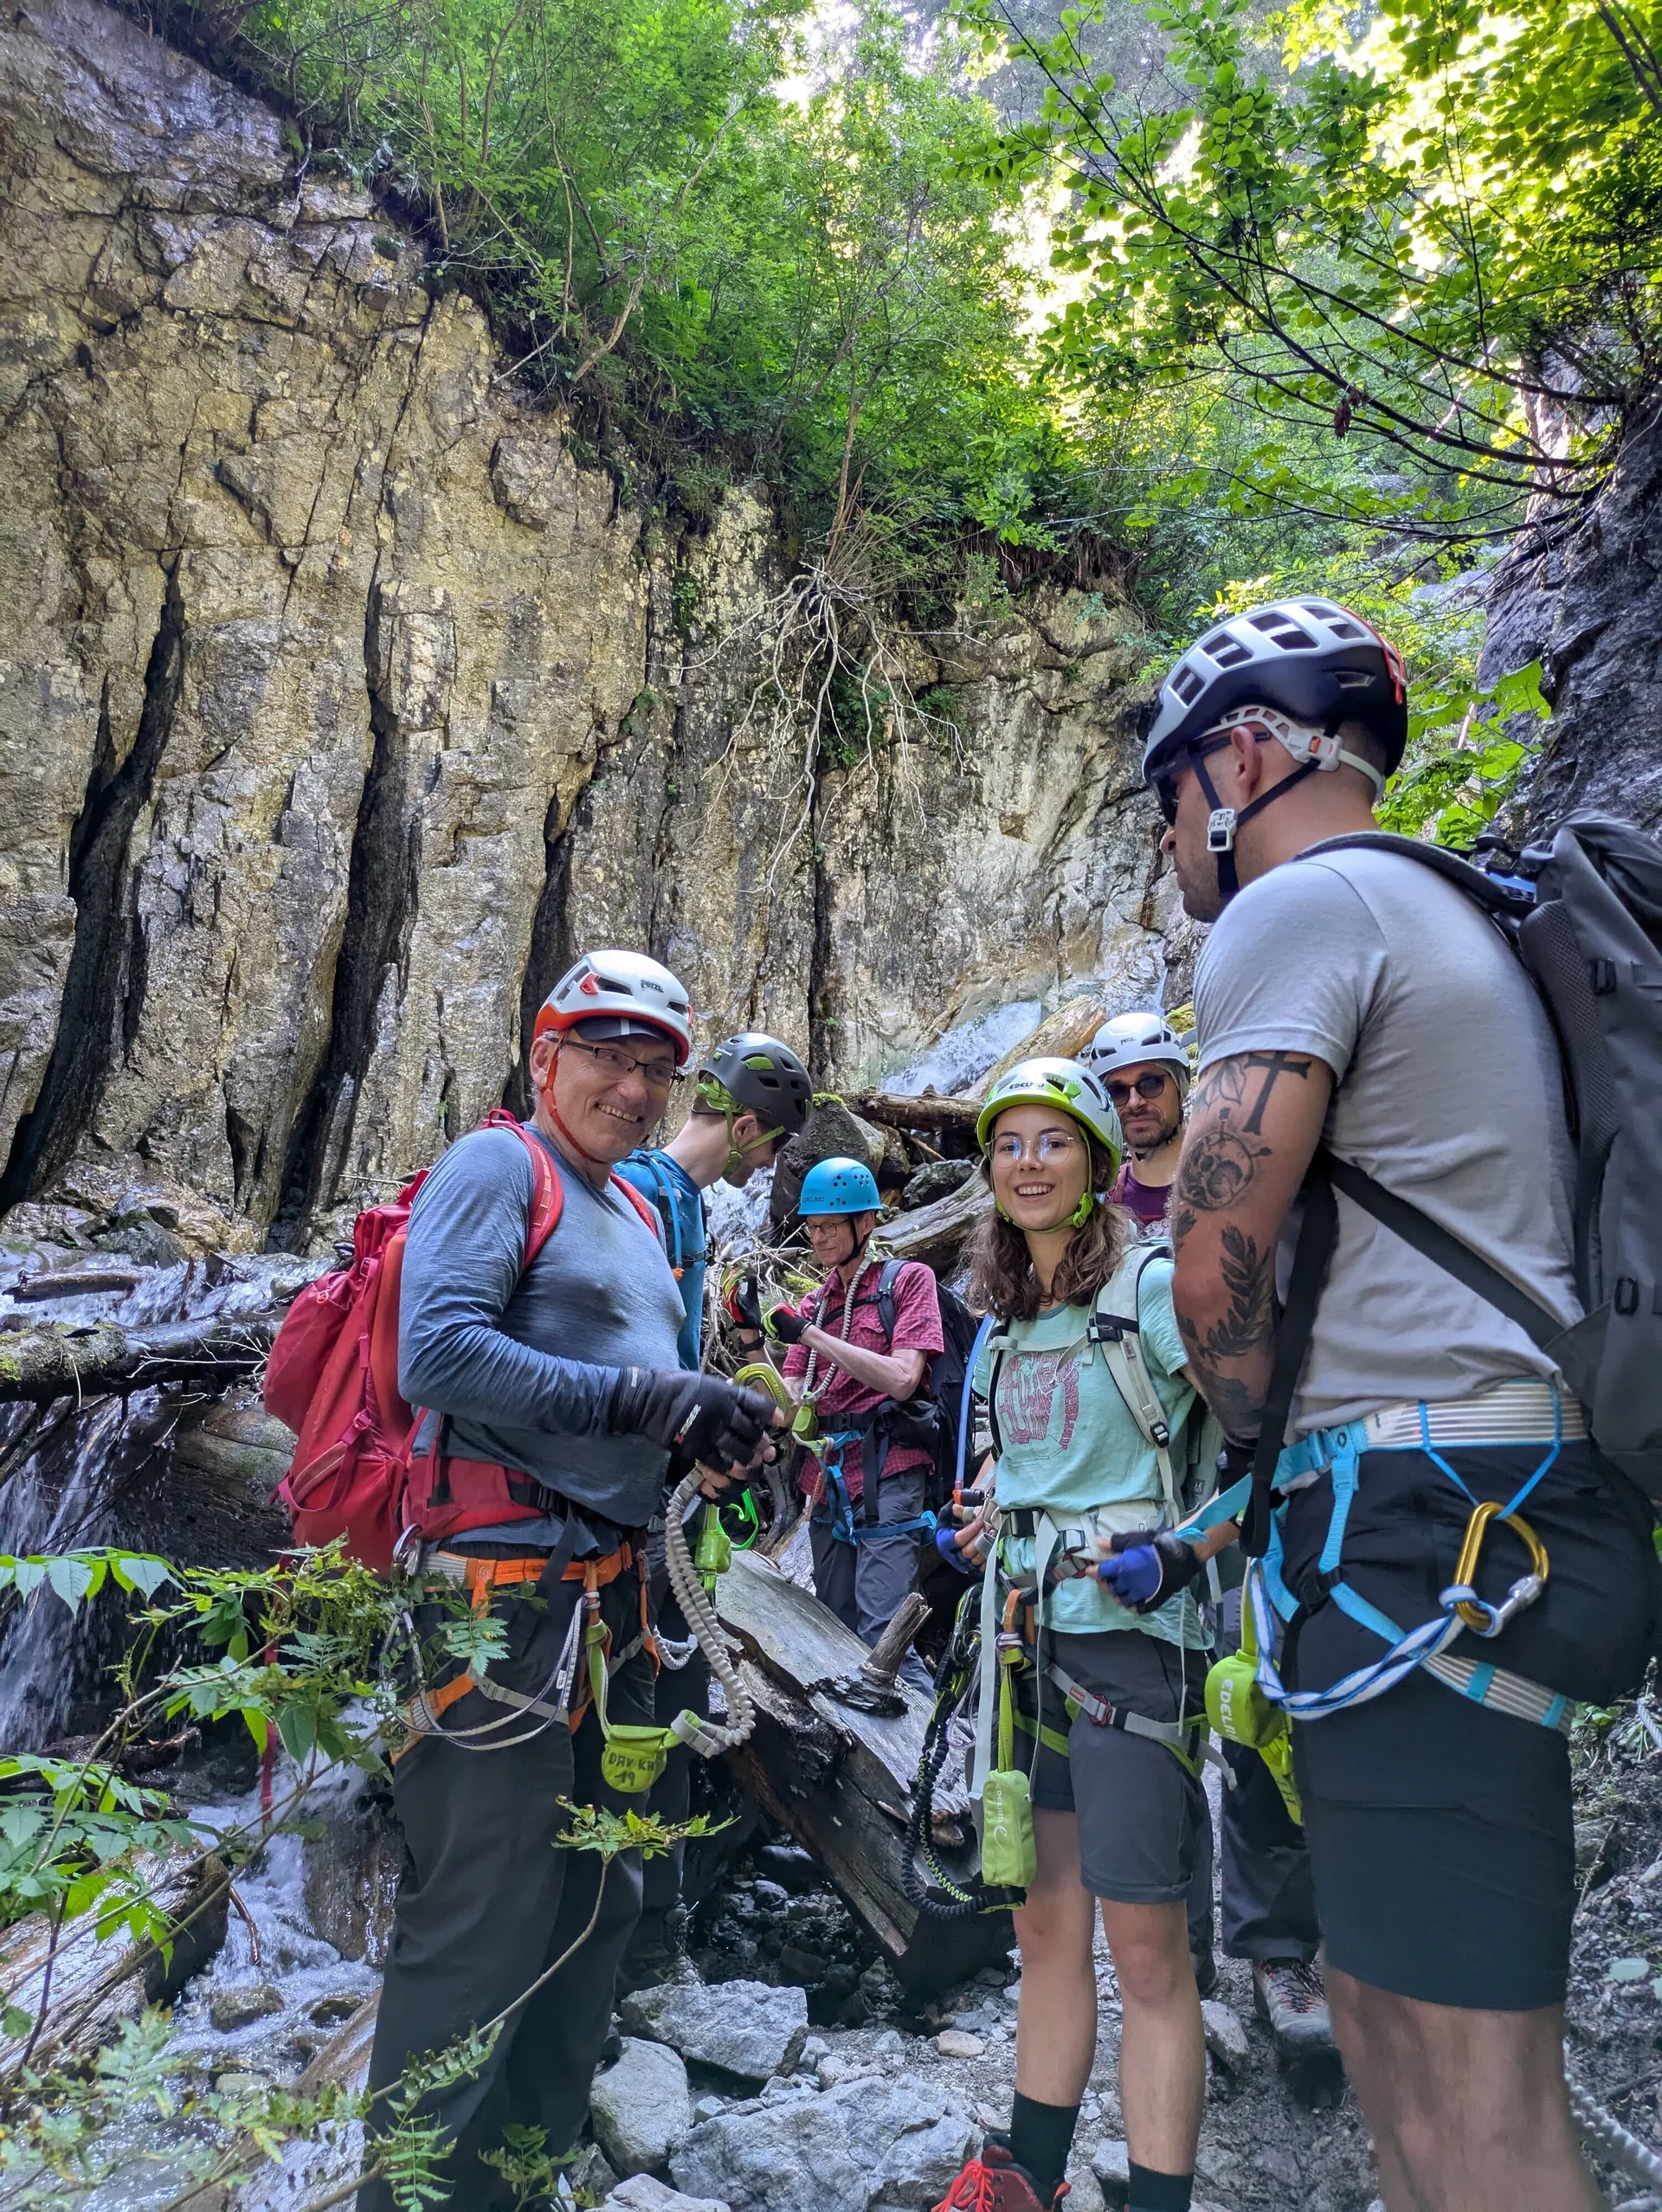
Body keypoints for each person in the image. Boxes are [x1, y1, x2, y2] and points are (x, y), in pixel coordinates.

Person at [1144, 599, 1659, 2212]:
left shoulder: (1304, 910)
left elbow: (1213, 1251)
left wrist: (1239, 1432)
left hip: (1428, 1524)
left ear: (1242, 755)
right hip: (1469, 1514)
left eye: (1167, 801)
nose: (1171, 845)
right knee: (1380, 2014)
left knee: (1477, 2088)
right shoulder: (1452, 911)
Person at [362, 949, 781, 2212]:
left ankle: (518, 2178)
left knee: (601, 1899)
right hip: (502, 1603)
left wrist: (707, 1439)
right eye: (607, 1056)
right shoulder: (503, 1166)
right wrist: (645, 1395)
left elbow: (625, 1400)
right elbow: (438, 1354)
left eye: (656, 1069)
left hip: (621, 1603)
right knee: (481, 1921)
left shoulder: (643, 1211)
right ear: (545, 1060)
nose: (635, 1086)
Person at [934, 1057, 1234, 2212]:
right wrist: (994, 1524)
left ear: (1099, 1161)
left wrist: (1183, 1552)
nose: (1027, 1161)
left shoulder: (1153, 1291)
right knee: (1046, 1933)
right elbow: (1045, 1468)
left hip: (1132, 1645)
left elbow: (1260, 1451)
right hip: (1024, 1648)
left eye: (1052, 1141)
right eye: (1007, 1144)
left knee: (1149, 1953)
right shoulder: (1009, 1325)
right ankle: (1029, 2182)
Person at [1084, 1011, 1332, 2063]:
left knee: (1260, 1708)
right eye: (1123, 1088)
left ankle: (1281, 1947)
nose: (1139, 1101)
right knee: (1162, 1719)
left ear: (1185, 1085)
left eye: (1153, 1082)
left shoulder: (1239, 1178)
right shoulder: (1094, 1216)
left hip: (1253, 1483)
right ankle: (1179, 1964)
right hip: (1140, 1498)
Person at [613, 1031, 810, 1982]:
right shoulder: (647, 1196)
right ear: (743, 1127)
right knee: (651, 1706)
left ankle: (655, 1926)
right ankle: (641, 1940)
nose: (763, 1168)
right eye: (768, 1147)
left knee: (671, 1700)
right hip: (632, 1513)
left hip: (663, 1502)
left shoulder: (673, 1201)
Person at [770, 1156, 944, 1662]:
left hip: (888, 1471)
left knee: (882, 1634)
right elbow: (787, 1405)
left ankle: (914, 1738)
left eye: (830, 1226)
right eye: (812, 1227)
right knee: (833, 1625)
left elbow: (903, 1378)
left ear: (865, 1222)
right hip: (826, 1479)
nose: (819, 1238)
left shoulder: (907, 1282)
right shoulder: (815, 1305)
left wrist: (811, 1336)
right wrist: (751, 1343)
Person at [616, 1031, 812, 1369]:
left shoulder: (687, 1199)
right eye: (776, 1146)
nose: (770, 1162)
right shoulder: (635, 1188)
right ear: (745, 1129)